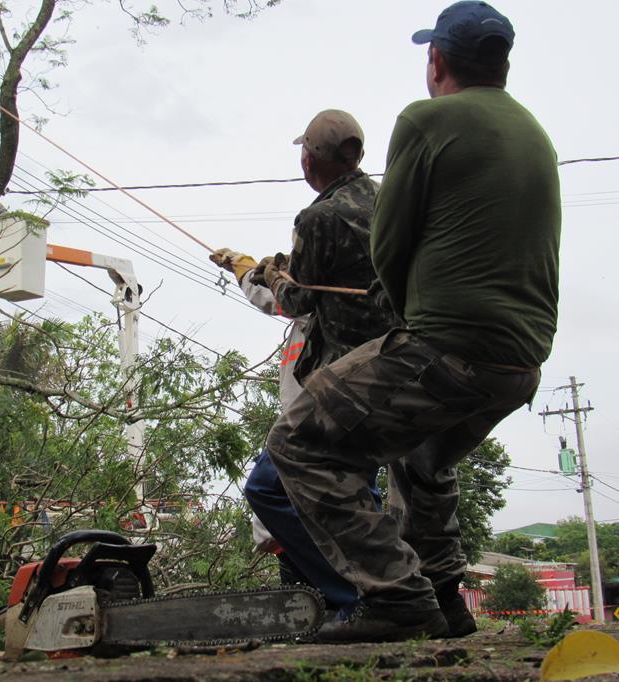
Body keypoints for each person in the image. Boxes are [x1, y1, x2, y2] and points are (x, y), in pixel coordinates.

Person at [265, 1, 561, 643]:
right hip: (523, 361)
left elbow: (388, 249)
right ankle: (448, 601)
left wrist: (406, 327)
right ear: (502, 62)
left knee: (297, 443)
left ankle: (399, 599)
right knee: (423, 455)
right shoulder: (535, 131)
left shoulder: (427, 119)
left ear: (437, 61)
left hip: (452, 346)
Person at [210, 108, 394, 612]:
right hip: (391, 372)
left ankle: (352, 598)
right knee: (354, 492)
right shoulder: (386, 203)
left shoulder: (319, 218)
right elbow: (299, 291)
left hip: (338, 382)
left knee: (269, 486)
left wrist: (264, 272)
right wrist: (255, 272)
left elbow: (295, 300)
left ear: (311, 161)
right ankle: (352, 599)